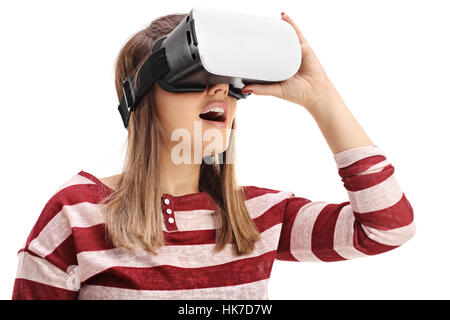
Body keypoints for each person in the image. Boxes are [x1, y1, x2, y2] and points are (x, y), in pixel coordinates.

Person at [12, 12, 415, 300]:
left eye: (228, 82)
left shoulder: (257, 216)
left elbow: (386, 228)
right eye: (195, 78)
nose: (220, 92)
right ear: (140, 98)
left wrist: (321, 96)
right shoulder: (77, 214)